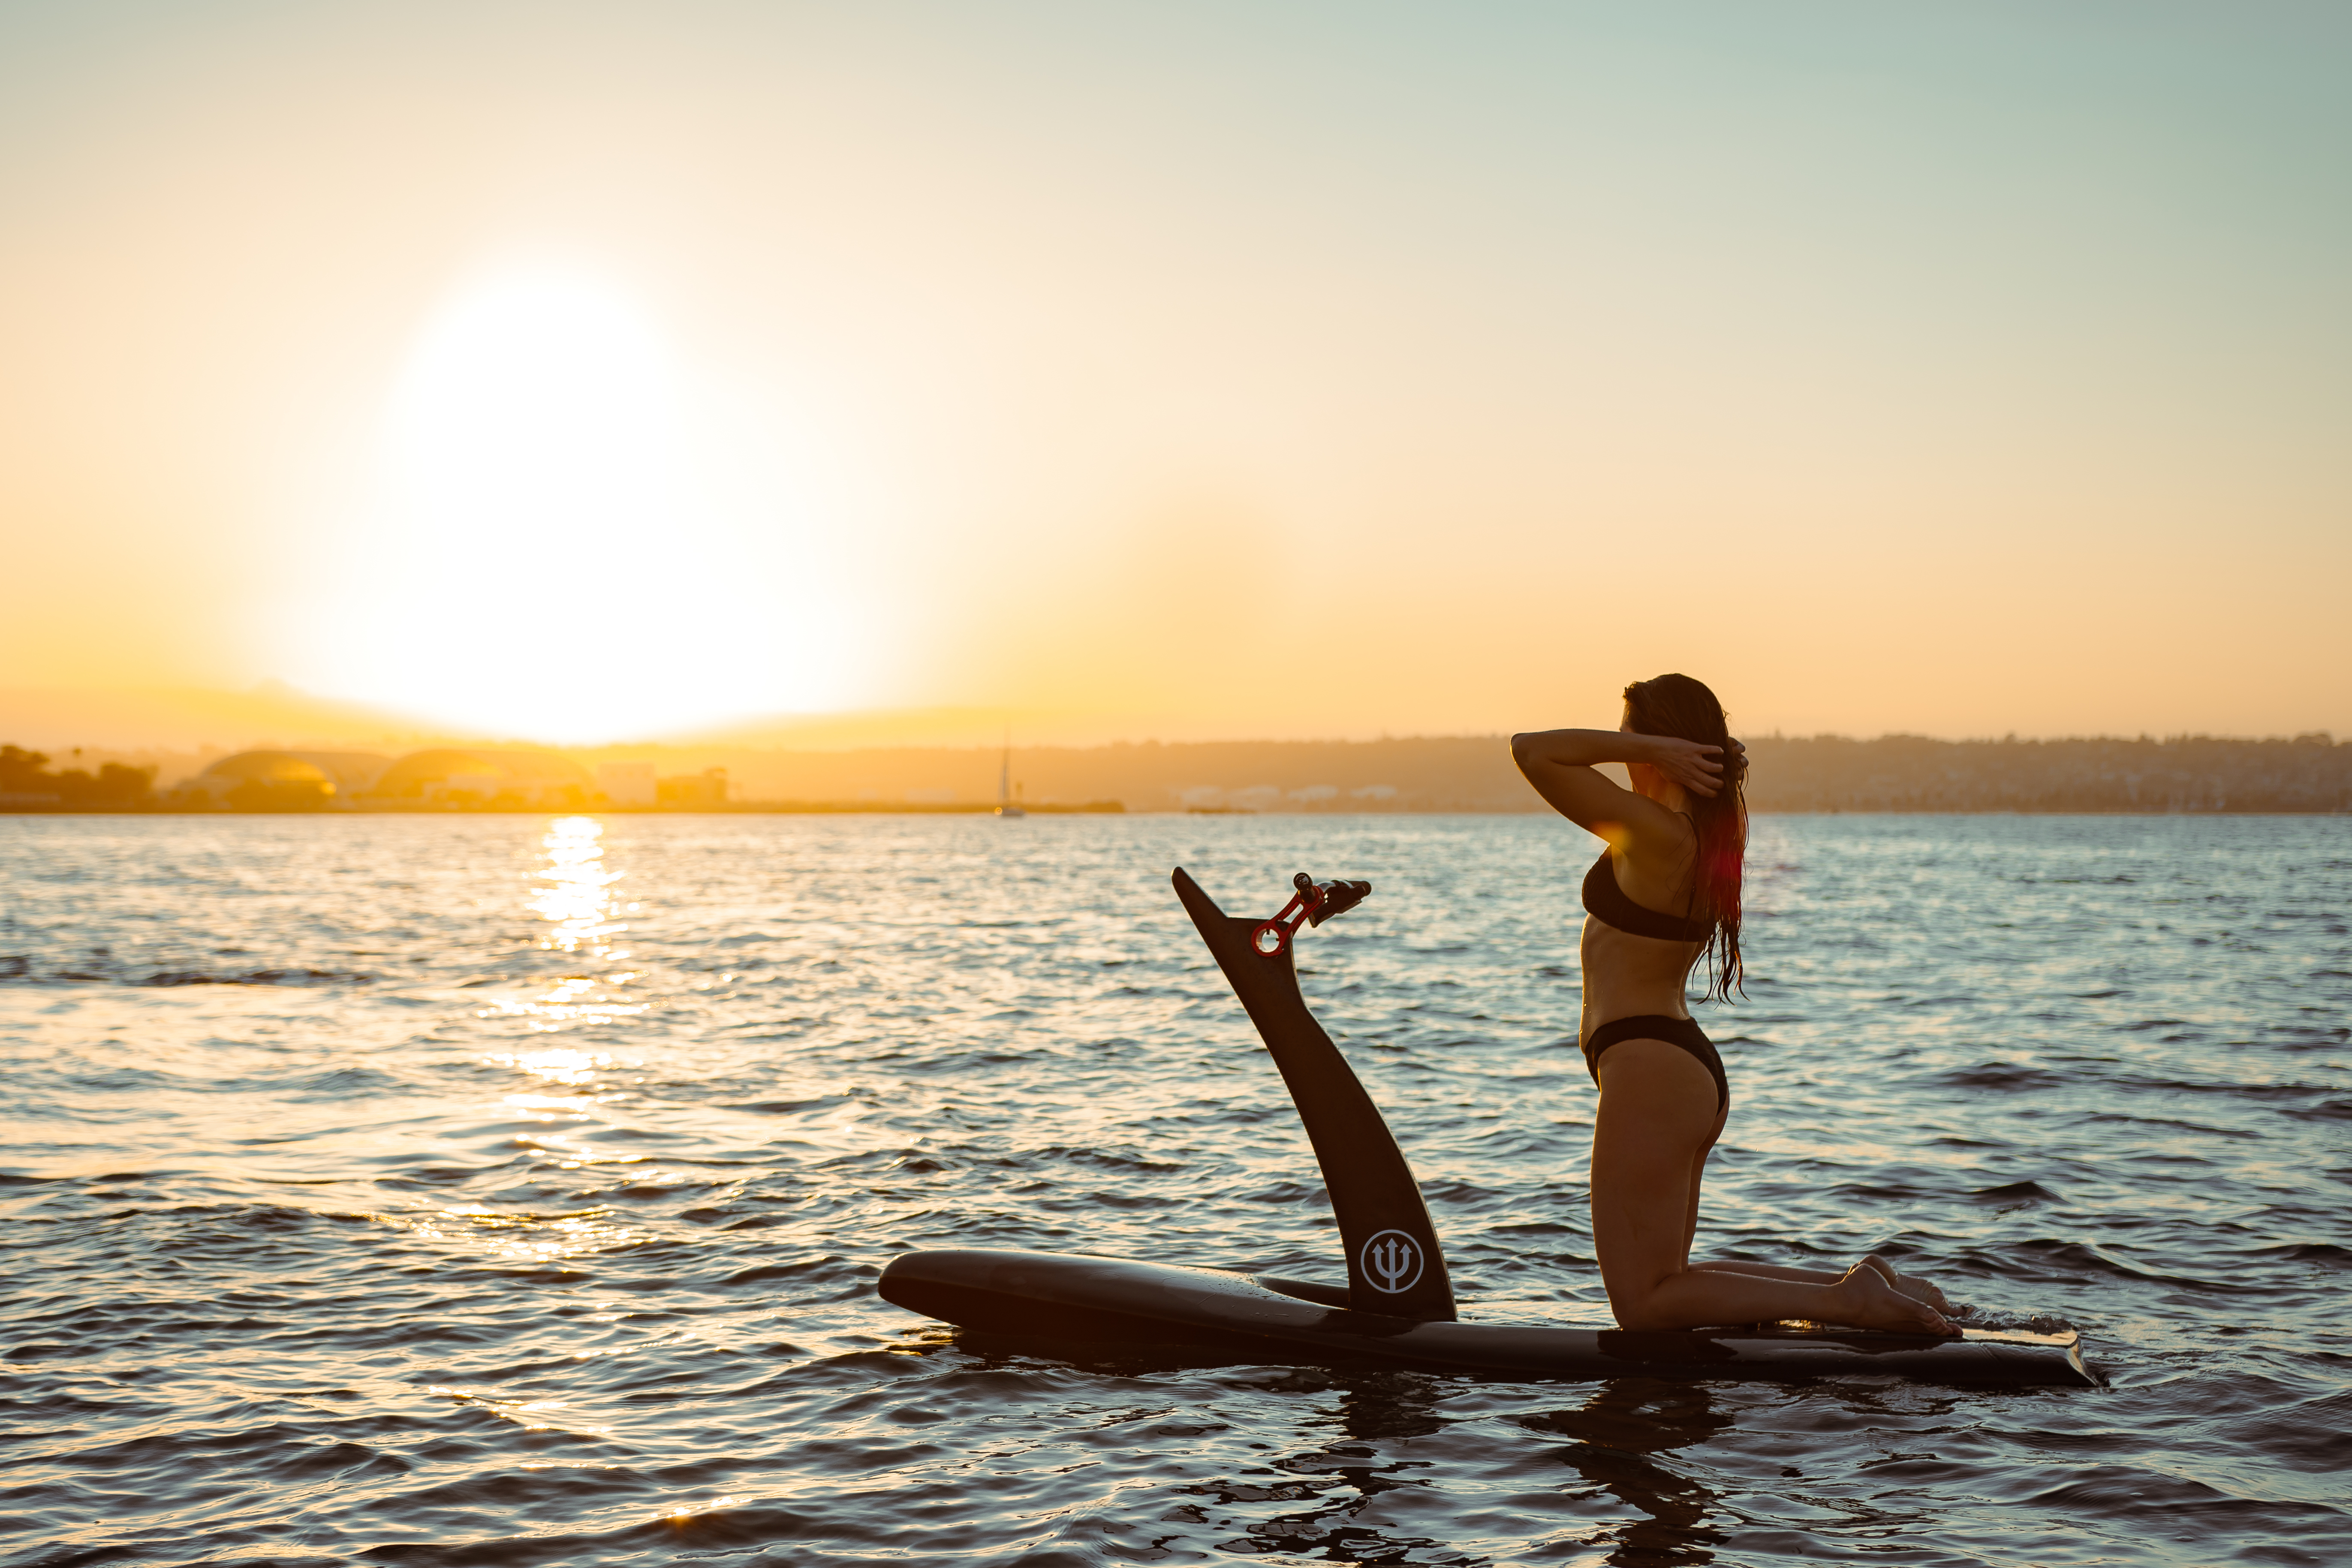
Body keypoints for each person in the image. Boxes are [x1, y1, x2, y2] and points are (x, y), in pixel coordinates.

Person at [1511, 674, 1954, 1334]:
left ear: (1666, 748)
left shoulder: (1659, 833)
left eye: (1633, 738)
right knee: (1673, 1277)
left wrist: (1656, 749)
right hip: (1673, 1064)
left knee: (1644, 1303)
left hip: (1651, 1068)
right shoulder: (1702, 831)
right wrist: (1677, 752)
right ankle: (1871, 1285)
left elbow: (1531, 750)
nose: (1626, 753)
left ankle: (1847, 1302)